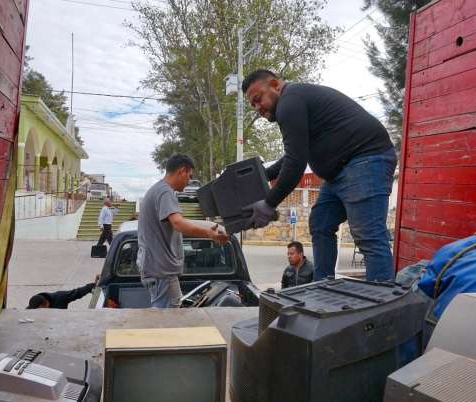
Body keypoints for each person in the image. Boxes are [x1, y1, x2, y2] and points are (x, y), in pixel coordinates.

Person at [242, 69, 397, 282]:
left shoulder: (289, 102)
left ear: (276, 85)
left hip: (366, 160)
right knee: (321, 223)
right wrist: (264, 174)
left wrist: (269, 203)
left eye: (258, 99)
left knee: (368, 236)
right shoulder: (293, 103)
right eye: (253, 105)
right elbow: (293, 155)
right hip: (339, 173)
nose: (258, 107)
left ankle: (382, 305)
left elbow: (296, 163)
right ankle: (323, 286)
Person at [137, 154, 230, 308]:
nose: (189, 181)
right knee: (167, 321)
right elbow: (179, 224)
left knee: (167, 315)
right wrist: (209, 234)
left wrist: (209, 228)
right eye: (190, 176)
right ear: (182, 171)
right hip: (161, 272)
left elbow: (178, 225)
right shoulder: (165, 192)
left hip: (157, 270)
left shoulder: (159, 190)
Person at [27, 282, 95, 309]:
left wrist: (92, 286)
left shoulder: (60, 297)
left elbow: (78, 293)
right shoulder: (32, 306)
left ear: (47, 303)